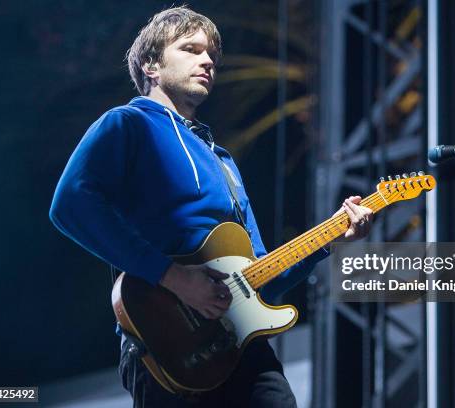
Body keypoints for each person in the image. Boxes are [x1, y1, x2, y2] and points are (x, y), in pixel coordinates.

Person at [49, 6, 374, 408]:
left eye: (211, 56)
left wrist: (328, 242)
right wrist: (174, 277)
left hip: (241, 347)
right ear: (152, 65)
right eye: (190, 49)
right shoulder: (126, 123)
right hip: (168, 348)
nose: (207, 61)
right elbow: (70, 205)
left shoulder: (223, 160)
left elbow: (259, 276)